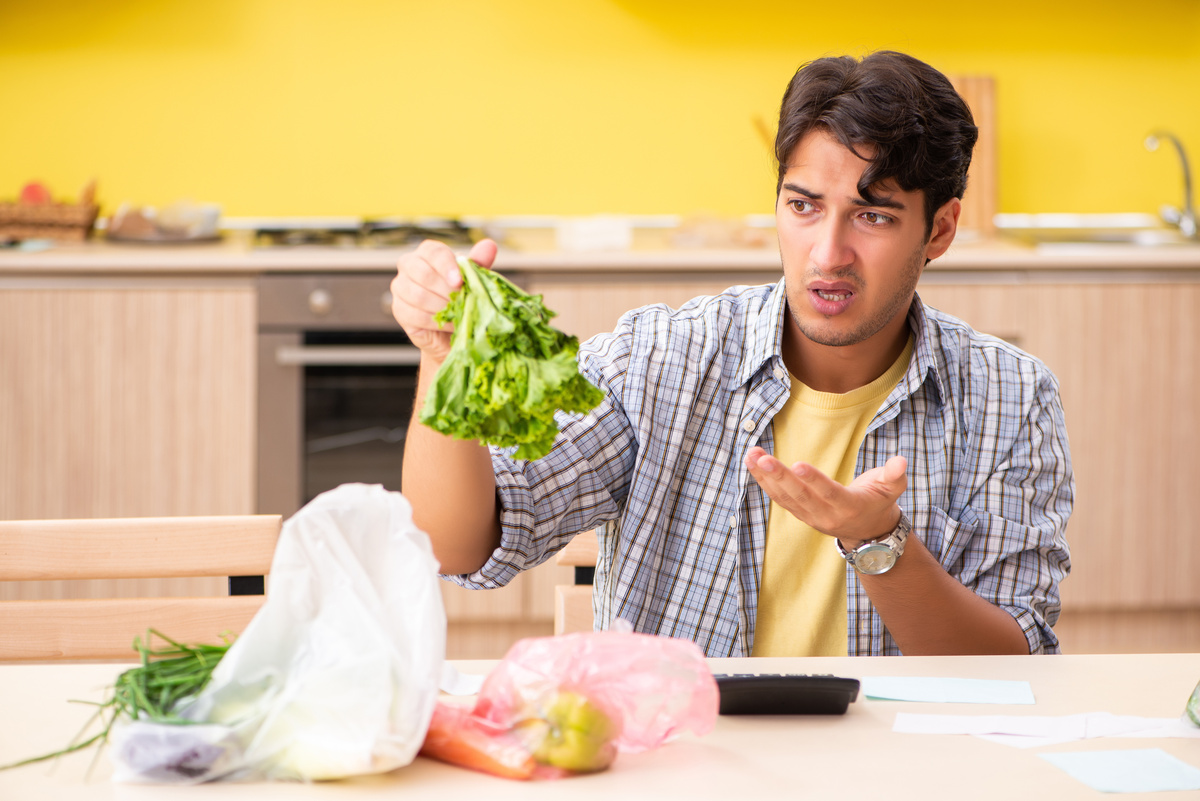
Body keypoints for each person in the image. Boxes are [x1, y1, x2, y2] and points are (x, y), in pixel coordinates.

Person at [390, 50, 1073, 658]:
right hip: (688, 764)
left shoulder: (1008, 395)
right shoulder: (660, 359)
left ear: (940, 229)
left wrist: (880, 542)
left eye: (873, 216)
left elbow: (1011, 663)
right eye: (804, 206)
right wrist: (443, 360)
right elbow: (459, 546)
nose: (828, 254)